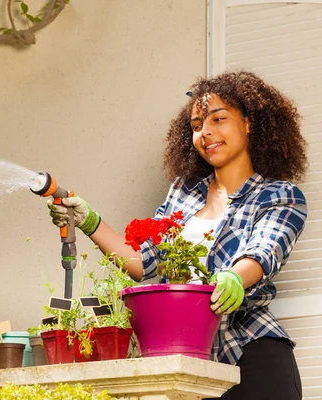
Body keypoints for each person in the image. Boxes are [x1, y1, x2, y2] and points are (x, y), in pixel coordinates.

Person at [47, 70, 307, 400]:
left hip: (251, 351)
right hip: (186, 358)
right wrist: (90, 222)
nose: (206, 132)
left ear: (249, 123)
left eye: (218, 119)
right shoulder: (184, 194)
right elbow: (144, 263)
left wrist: (234, 278)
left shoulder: (279, 196)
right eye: (197, 125)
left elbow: (264, 251)